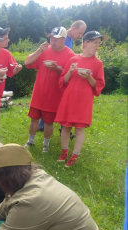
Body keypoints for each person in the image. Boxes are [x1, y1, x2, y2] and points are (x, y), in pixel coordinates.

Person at [55, 31, 108, 167]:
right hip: (69, 98)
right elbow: (63, 81)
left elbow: (99, 86)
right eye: (95, 43)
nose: (97, 46)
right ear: (85, 43)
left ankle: (75, 156)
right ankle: (64, 152)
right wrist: (70, 71)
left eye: (99, 43)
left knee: (79, 129)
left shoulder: (98, 63)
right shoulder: (73, 60)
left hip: (84, 101)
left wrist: (89, 77)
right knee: (65, 127)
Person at [23, 27, 75, 152]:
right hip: (38, 93)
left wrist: (58, 69)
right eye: (51, 38)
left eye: (56, 39)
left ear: (64, 39)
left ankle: (46, 144)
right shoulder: (45, 50)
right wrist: (39, 50)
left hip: (54, 95)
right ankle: (30, 141)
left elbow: (71, 77)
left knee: (48, 122)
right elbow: (27, 62)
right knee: (34, 119)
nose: (52, 41)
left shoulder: (70, 55)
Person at [38, 20, 87, 134]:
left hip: (61, 76)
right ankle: (58, 126)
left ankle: (49, 125)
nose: (80, 36)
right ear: (73, 29)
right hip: (56, 77)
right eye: (79, 33)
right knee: (55, 100)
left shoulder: (70, 41)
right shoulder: (63, 40)